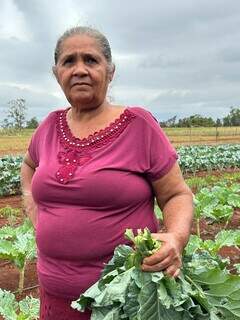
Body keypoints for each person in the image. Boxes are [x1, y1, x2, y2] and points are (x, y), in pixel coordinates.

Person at [21, 26, 193, 320]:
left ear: (110, 71)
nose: (79, 70)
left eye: (90, 60)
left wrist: (176, 236)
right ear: (56, 73)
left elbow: (177, 194)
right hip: (55, 297)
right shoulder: (49, 126)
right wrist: (34, 208)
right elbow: (28, 165)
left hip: (123, 299)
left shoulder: (138, 125)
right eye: (68, 61)